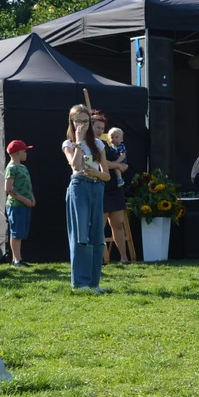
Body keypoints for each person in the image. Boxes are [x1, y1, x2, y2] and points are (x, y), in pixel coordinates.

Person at [62, 105, 112, 291]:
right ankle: (80, 283)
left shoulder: (99, 145)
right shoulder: (68, 143)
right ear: (72, 122)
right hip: (79, 187)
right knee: (81, 235)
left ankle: (94, 283)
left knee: (97, 235)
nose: (82, 124)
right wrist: (79, 141)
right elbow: (75, 166)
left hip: (97, 187)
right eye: (78, 121)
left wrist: (96, 173)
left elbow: (106, 175)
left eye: (85, 121)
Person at [100, 122, 130, 264]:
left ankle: (124, 258)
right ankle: (102, 259)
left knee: (118, 224)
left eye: (101, 127)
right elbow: (102, 163)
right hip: (101, 187)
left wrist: (118, 166)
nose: (99, 130)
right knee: (100, 225)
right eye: (96, 127)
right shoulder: (95, 145)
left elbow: (123, 163)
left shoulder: (115, 147)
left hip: (115, 187)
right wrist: (118, 165)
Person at [4, 140, 35, 267]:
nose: (26, 153)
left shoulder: (23, 167)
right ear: (17, 153)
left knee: (21, 232)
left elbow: (28, 186)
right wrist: (24, 200)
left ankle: (19, 258)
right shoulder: (11, 168)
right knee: (16, 232)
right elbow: (8, 189)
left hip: (25, 205)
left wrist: (32, 198)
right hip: (16, 206)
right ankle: (16, 260)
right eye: (24, 151)